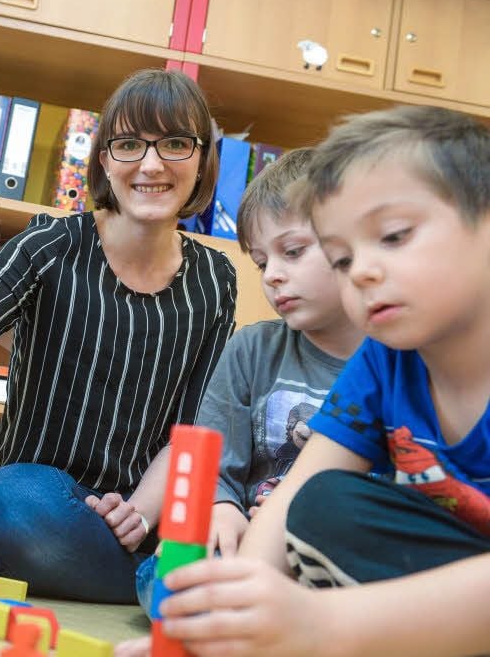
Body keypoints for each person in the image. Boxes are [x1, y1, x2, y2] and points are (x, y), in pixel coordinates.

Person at [118, 106, 490, 657]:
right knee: (324, 504)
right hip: (435, 582)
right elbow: (297, 497)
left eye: (393, 235)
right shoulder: (384, 360)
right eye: (342, 259)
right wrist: (227, 625)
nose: (360, 271)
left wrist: (321, 624)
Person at [0, 69, 237, 602]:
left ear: (202, 159)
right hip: (37, 501)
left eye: (175, 143)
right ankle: (158, 586)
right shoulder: (51, 245)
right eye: (129, 145)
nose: (151, 165)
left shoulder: (217, 280)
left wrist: (140, 512)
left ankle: (152, 574)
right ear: (103, 158)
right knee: (2, 503)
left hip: (139, 515)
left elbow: (194, 427)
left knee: (229, 531)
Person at [132, 148, 365, 615]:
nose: (274, 276)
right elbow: (213, 462)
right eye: (261, 262)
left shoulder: (395, 361)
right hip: (244, 541)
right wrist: (223, 508)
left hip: (337, 551)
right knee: (167, 583)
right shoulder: (252, 350)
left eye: (293, 252)